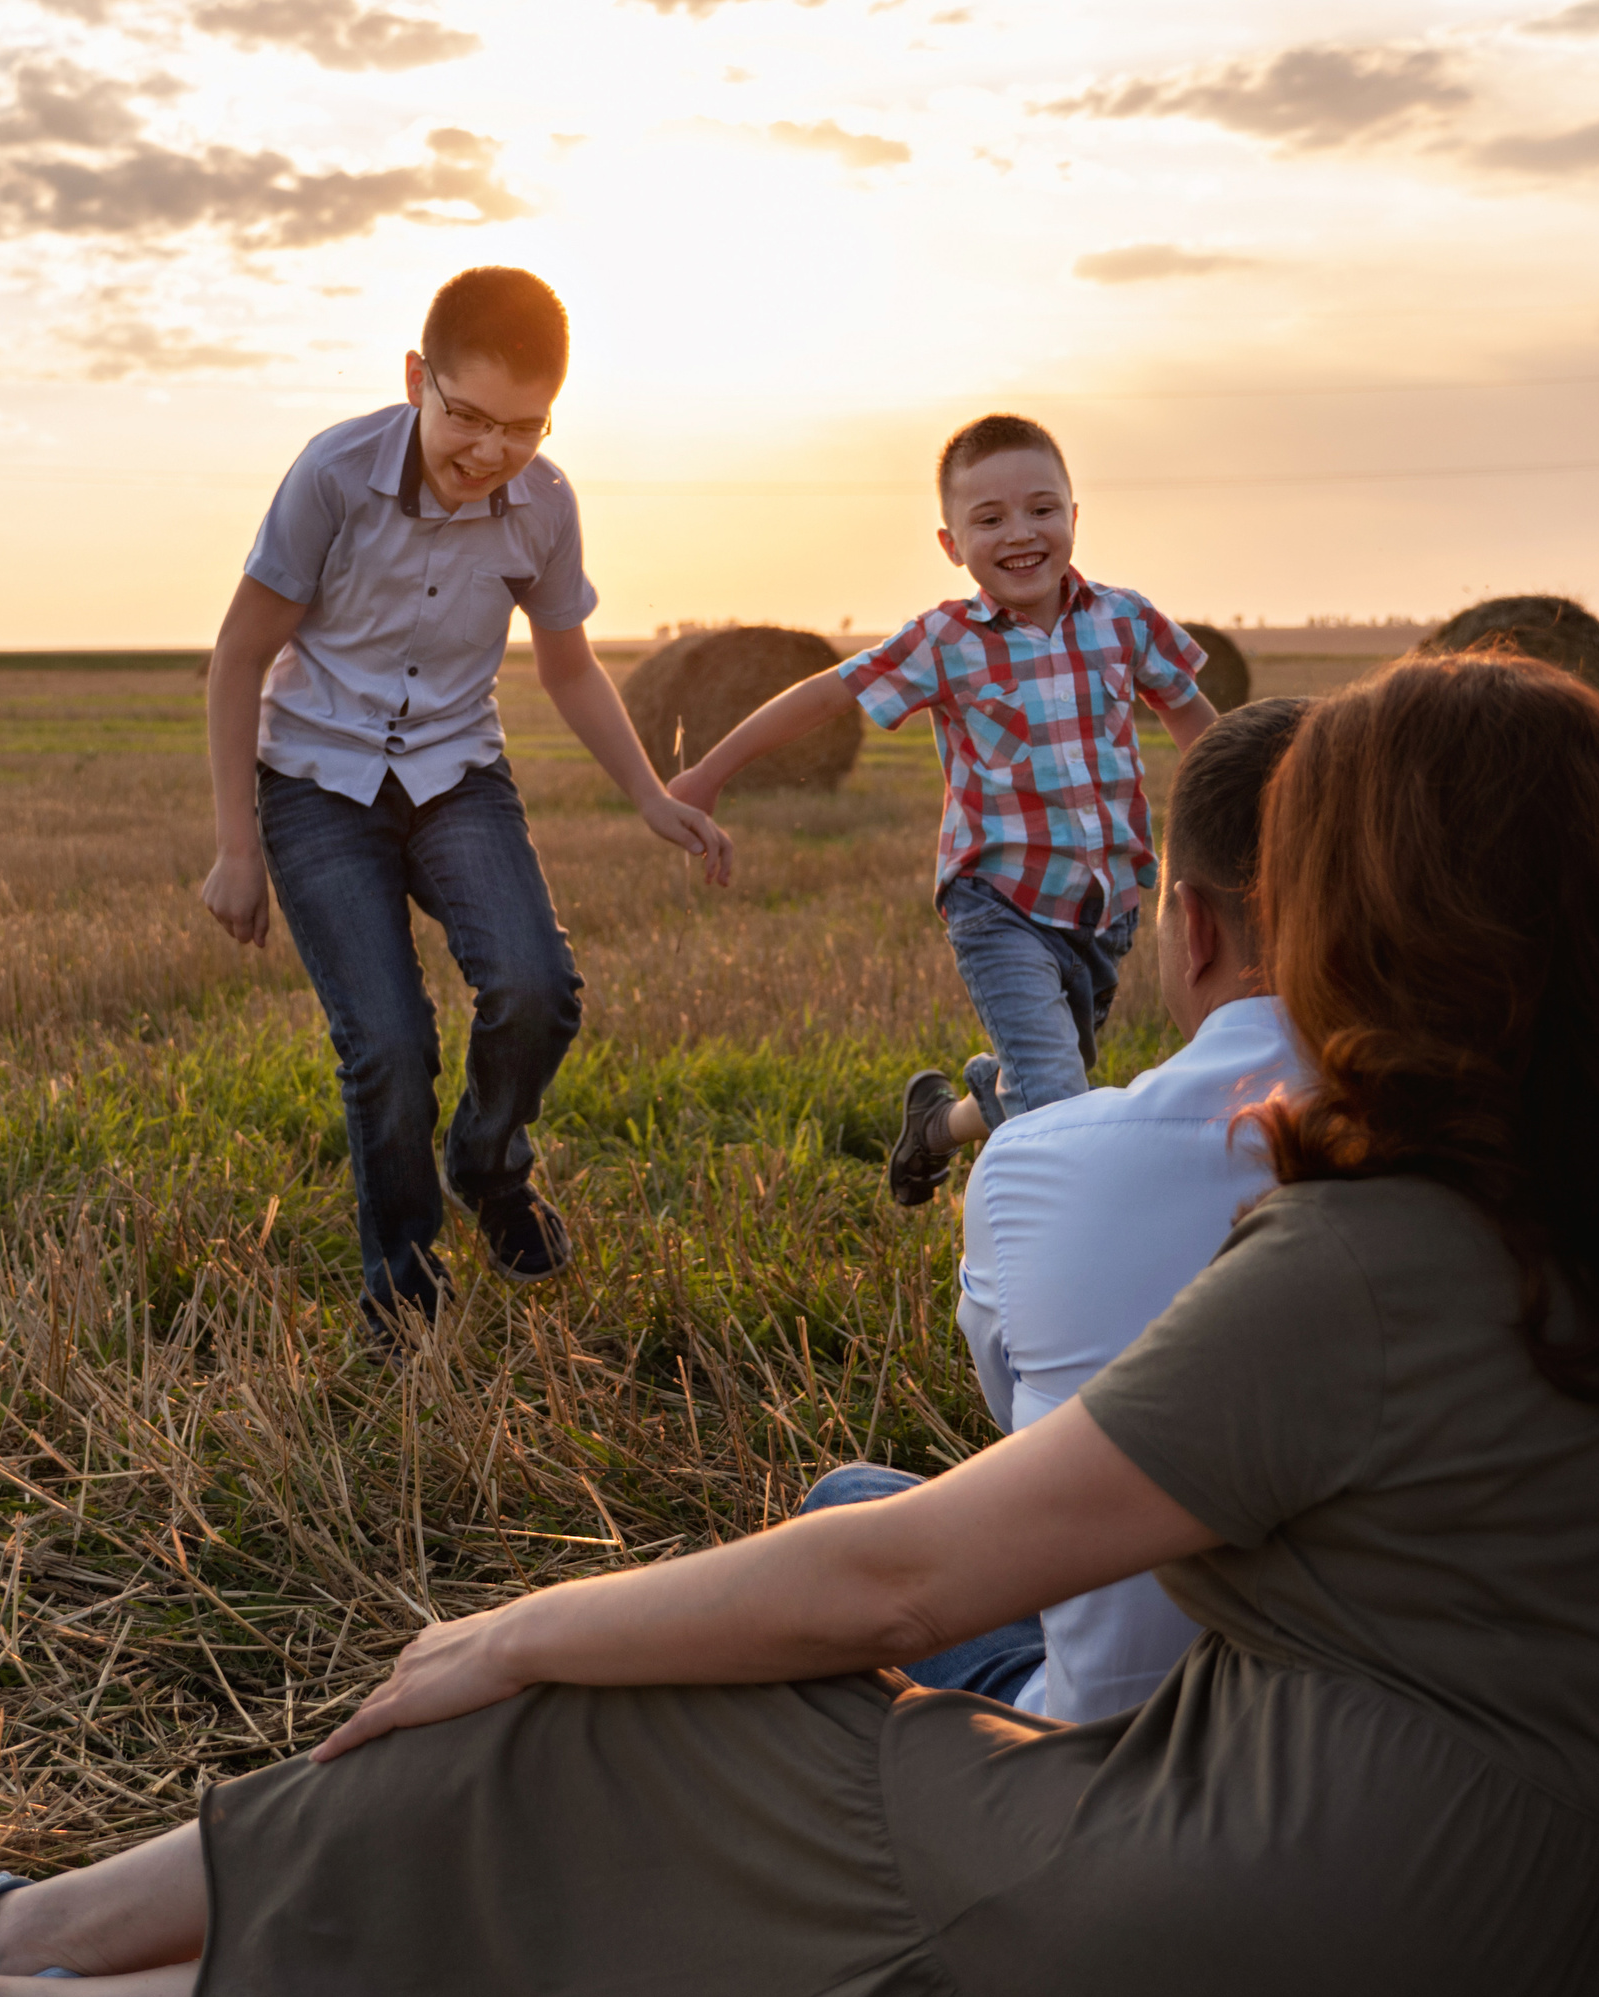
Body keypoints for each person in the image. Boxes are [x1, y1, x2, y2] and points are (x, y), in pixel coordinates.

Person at [0, 652, 1599, 1997]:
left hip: (1248, 1930)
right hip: (1528, 1981)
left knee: (594, 1741)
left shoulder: (1373, 1260)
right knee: (765, 1919)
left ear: (1385, 922)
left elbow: (905, 1581)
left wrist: (515, 1626)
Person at [196, 267, 730, 1330]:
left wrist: (648, 791)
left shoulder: (545, 503)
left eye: (523, 427)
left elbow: (568, 667)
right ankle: (402, 1287)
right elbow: (238, 655)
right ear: (415, 380)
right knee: (388, 1045)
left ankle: (487, 1167)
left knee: (539, 987)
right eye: (468, 417)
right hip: (315, 784)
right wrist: (236, 847)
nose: (490, 452)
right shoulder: (334, 475)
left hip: (454, 771)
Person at [803, 694, 1313, 1723]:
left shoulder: (1040, 1167)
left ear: (1193, 923)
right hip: (1382, 1736)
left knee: (850, 1502)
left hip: (1102, 1747)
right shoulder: (1504, 1144)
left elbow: (1031, 1446)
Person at [666, 412, 1217, 1207]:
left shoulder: (1125, 619)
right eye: (988, 519)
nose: (1020, 533)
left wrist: (1254, 809)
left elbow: (1193, 718)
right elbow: (827, 694)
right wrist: (712, 773)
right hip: (996, 905)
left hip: (1104, 908)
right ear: (952, 543)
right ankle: (1050, 1250)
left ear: (1073, 516)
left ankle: (936, 1125)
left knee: (1042, 1082)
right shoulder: (944, 640)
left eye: (1040, 509)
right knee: (1059, 1100)